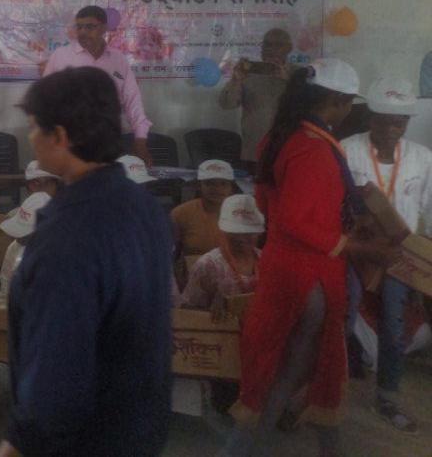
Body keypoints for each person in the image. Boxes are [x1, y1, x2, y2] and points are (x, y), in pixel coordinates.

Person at [0, 67, 172, 457]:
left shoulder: (67, 237)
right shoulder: (146, 208)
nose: (30, 137)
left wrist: (15, 445)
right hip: (140, 425)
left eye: (33, 127)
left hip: (83, 440)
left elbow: (55, 374)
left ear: (60, 136)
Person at [223, 59, 394, 457]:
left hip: (285, 263)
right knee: (292, 368)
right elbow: (297, 220)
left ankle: (265, 443)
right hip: (309, 274)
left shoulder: (281, 136)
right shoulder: (313, 148)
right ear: (337, 100)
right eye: (350, 103)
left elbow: (268, 204)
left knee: (291, 363)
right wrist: (358, 247)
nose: (350, 111)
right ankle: (246, 448)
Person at [341, 77, 432, 434]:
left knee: (394, 327)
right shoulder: (347, 150)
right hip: (357, 251)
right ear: (371, 118)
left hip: (399, 255)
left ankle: (387, 397)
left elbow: (428, 213)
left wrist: (423, 265)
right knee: (343, 318)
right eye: (385, 121)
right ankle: (324, 394)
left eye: (401, 122)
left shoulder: (423, 158)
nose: (393, 129)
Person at [42, 5, 154, 165]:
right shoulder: (60, 57)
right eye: (79, 27)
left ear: (104, 28)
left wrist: (140, 139)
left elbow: (133, 101)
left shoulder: (118, 60)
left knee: (110, 181)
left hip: (109, 144)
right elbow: (44, 101)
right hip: (70, 144)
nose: (82, 32)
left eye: (89, 27)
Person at [0, 191, 52, 407]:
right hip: (17, 330)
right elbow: (4, 294)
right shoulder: (14, 248)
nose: (19, 238)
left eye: (25, 235)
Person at [218, 28, 294, 167]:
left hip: (288, 152)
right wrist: (236, 80)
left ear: (289, 48)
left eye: (278, 45)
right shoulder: (249, 74)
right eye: (267, 44)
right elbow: (226, 104)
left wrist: (288, 80)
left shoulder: (299, 74)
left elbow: (310, 107)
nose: (271, 49)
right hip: (254, 153)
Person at [181, 193, 263, 318]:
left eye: (248, 232)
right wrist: (210, 311)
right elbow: (186, 309)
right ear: (223, 230)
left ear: (259, 233)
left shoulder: (267, 260)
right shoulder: (208, 265)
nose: (241, 238)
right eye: (234, 232)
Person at [171, 159, 239, 261]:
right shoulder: (180, 213)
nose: (217, 189)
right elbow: (171, 253)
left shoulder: (242, 213)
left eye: (223, 184)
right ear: (199, 186)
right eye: (210, 183)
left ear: (231, 188)